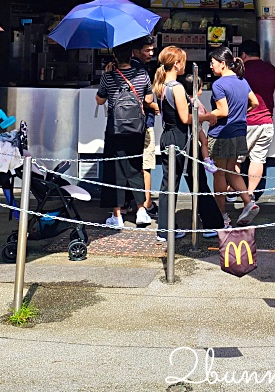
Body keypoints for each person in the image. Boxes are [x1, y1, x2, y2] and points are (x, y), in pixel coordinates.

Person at [152, 46, 224, 242]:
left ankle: (166, 228)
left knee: (170, 184)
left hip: (169, 135)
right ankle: (212, 224)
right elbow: (185, 118)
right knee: (197, 179)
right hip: (181, 137)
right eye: (182, 61)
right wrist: (207, 116)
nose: (184, 64)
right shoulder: (176, 87)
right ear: (176, 64)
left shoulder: (160, 85)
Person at [96, 42, 155, 228]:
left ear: (115, 56)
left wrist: (107, 75)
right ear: (131, 55)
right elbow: (149, 99)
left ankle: (117, 216)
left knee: (115, 171)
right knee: (135, 167)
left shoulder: (109, 76)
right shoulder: (142, 74)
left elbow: (99, 100)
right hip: (136, 129)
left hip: (115, 129)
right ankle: (141, 211)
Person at [200, 46, 259, 226]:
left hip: (221, 134)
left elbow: (223, 111)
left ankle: (222, 215)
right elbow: (254, 103)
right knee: (232, 170)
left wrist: (209, 116)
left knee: (219, 174)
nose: (211, 66)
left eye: (213, 63)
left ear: (223, 64)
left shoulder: (219, 84)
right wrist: (239, 113)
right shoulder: (242, 80)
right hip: (239, 132)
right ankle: (249, 202)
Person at [238, 40, 275, 205]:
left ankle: (234, 191)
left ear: (244, 55)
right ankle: (251, 193)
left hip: (246, 121)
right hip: (266, 120)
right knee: (258, 158)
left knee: (236, 159)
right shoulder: (270, 69)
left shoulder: (242, 70)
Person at [131, 37, 159, 223]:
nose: (151, 53)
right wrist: (155, 106)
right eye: (146, 50)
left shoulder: (118, 68)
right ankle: (146, 204)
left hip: (125, 125)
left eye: (152, 50)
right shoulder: (141, 70)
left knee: (130, 165)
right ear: (134, 50)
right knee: (145, 166)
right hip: (144, 124)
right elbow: (148, 99)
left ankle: (128, 203)